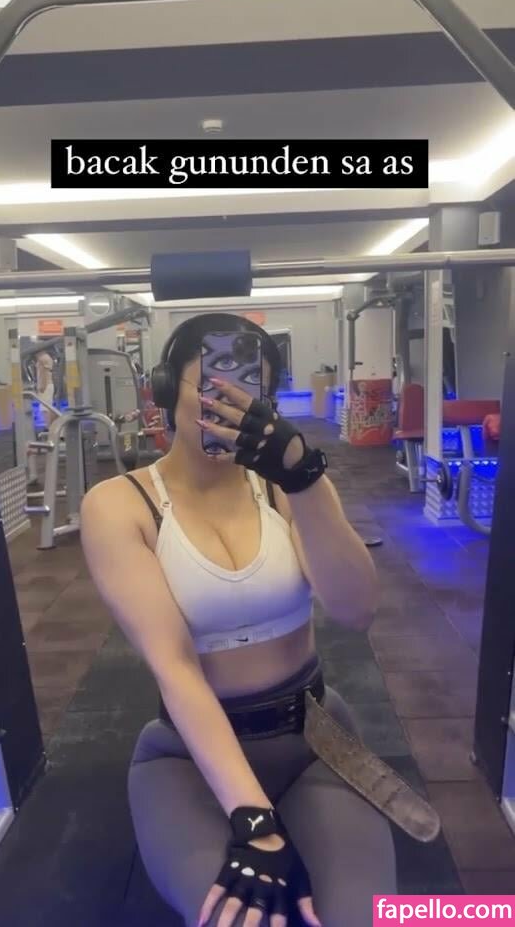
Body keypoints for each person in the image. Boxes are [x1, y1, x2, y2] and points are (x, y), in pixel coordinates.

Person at [81, 313, 396, 927]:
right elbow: (174, 667)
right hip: (188, 760)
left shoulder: (287, 486)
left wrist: (304, 478)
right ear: (166, 389)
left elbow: (356, 610)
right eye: (212, 384)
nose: (230, 404)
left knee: (362, 916)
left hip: (317, 738)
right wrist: (253, 819)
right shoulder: (119, 505)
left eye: (250, 388)